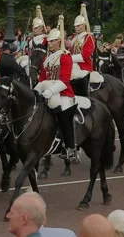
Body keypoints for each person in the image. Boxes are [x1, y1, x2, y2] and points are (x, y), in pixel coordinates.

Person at [35, 15, 76, 159]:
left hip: (64, 93)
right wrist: (37, 90)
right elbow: (42, 78)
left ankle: (70, 147)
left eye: (52, 41)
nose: (50, 43)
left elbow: (64, 80)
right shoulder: (47, 58)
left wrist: (50, 91)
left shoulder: (65, 56)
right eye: (49, 41)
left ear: (59, 42)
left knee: (64, 116)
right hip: (49, 91)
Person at [70, 3, 94, 97]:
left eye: (79, 26)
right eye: (75, 26)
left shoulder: (88, 37)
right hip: (73, 65)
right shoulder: (74, 38)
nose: (76, 27)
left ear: (84, 25)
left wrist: (70, 58)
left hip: (84, 67)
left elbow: (86, 55)